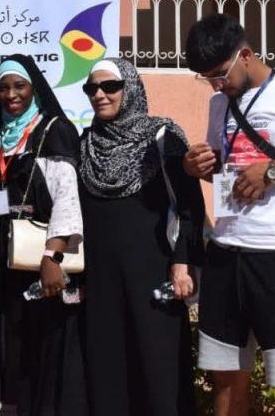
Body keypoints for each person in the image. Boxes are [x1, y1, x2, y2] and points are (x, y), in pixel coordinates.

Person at [78, 58, 204, 415]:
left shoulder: (162, 137)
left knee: (158, 366)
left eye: (110, 86)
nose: (99, 95)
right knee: (108, 369)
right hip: (101, 280)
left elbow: (189, 205)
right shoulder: (86, 143)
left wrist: (182, 263)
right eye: (91, 88)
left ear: (130, 88)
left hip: (153, 275)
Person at [183, 14, 275, 416]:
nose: (215, 85)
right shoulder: (219, 104)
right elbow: (223, 169)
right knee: (226, 379)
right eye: (207, 78)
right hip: (225, 252)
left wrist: (272, 171)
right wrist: (199, 166)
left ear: (245, 55)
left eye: (219, 75)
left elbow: (268, 170)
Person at [0, 55, 87, 416]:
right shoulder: (3, 134)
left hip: (45, 258)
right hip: (13, 258)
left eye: (19, 86)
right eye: (3, 87)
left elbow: (67, 196)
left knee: (50, 346)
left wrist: (53, 256)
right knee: (21, 350)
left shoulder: (53, 129)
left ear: (34, 87)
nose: (11, 95)